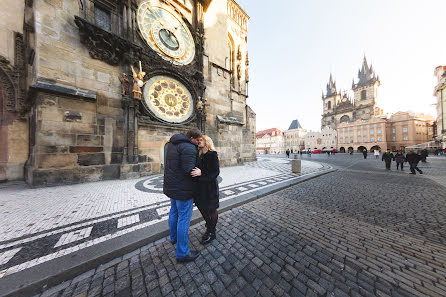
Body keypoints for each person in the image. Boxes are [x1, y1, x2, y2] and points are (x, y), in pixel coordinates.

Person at [164, 128, 202, 263]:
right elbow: (189, 170)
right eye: (197, 140)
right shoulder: (189, 148)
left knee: (174, 212)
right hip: (183, 189)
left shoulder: (171, 145)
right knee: (184, 219)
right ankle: (182, 253)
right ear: (191, 138)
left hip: (172, 186)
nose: (199, 142)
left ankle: (173, 238)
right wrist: (201, 172)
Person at [191, 135, 220, 245]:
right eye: (198, 140)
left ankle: (211, 232)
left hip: (210, 188)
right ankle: (209, 225)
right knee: (202, 208)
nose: (199, 141)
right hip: (199, 188)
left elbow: (215, 172)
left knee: (211, 210)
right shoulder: (198, 154)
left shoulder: (212, 154)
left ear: (207, 142)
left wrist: (201, 173)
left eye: (201, 140)